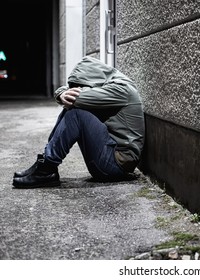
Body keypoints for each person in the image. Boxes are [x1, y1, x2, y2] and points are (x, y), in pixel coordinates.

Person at [12, 56, 145, 188]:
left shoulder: (121, 89)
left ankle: (47, 168)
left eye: (80, 86)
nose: (78, 89)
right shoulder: (106, 84)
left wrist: (62, 94)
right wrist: (62, 94)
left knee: (76, 113)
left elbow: (76, 99)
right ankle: (44, 165)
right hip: (109, 158)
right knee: (71, 108)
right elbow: (68, 95)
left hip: (116, 166)